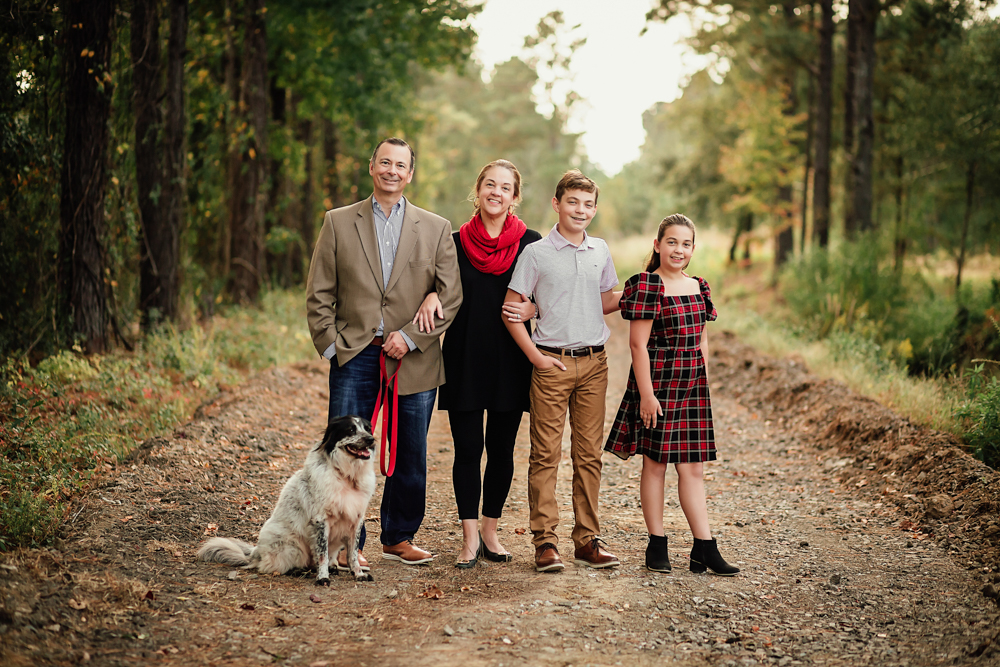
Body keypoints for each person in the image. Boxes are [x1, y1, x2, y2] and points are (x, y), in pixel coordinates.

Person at [306, 137, 463, 568]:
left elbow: (450, 298)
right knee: (343, 452)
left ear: (411, 173)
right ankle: (344, 545)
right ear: (372, 167)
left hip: (414, 358)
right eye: (385, 162)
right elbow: (319, 291)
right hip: (355, 354)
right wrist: (330, 346)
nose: (392, 170)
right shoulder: (338, 222)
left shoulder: (435, 228)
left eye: (401, 165)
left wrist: (411, 336)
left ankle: (398, 536)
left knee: (410, 450)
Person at [413, 160, 540, 569]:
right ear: (478, 190)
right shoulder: (450, 241)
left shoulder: (532, 244)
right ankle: (468, 540)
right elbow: (434, 288)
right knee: (468, 449)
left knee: (502, 450)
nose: (496, 192)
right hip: (464, 356)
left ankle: (490, 532)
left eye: (505, 187)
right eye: (490, 184)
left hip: (512, 360)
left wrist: (535, 305)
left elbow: (553, 296)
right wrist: (431, 295)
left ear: (515, 197)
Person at [604, 214, 739, 576]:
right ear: (657, 245)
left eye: (685, 244)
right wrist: (647, 396)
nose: (678, 249)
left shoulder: (698, 286)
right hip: (658, 384)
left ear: (693, 249)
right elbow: (637, 345)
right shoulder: (649, 286)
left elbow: (703, 339)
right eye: (672, 242)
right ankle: (657, 543)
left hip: (692, 386)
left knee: (693, 468)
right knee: (656, 464)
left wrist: (702, 378)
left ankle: (704, 548)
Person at [502, 169, 623, 573]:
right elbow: (511, 310)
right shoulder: (536, 253)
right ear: (557, 204)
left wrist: (650, 283)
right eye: (573, 202)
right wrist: (535, 357)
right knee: (546, 455)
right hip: (551, 361)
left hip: (594, 363)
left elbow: (604, 300)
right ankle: (545, 543)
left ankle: (587, 540)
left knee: (589, 455)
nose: (581, 210)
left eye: (588, 204)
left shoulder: (600, 250)